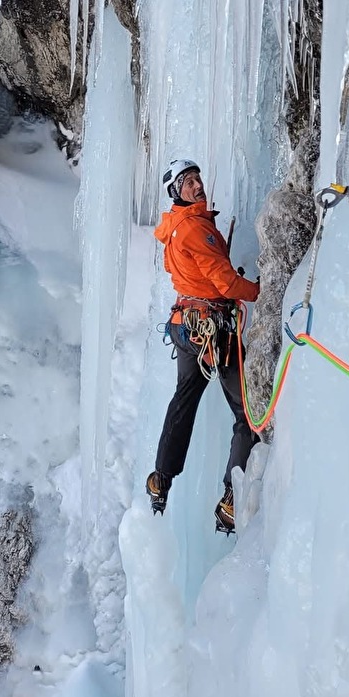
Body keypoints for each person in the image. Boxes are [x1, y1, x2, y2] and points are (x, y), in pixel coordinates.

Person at [146, 158, 261, 534]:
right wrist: (261, 291)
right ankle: (232, 496)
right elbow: (226, 283)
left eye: (197, 179)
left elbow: (180, 271)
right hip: (212, 330)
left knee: (183, 400)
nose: (197, 186)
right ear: (177, 193)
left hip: (186, 326)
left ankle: (161, 477)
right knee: (247, 416)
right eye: (188, 182)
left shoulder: (175, 229)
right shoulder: (195, 228)